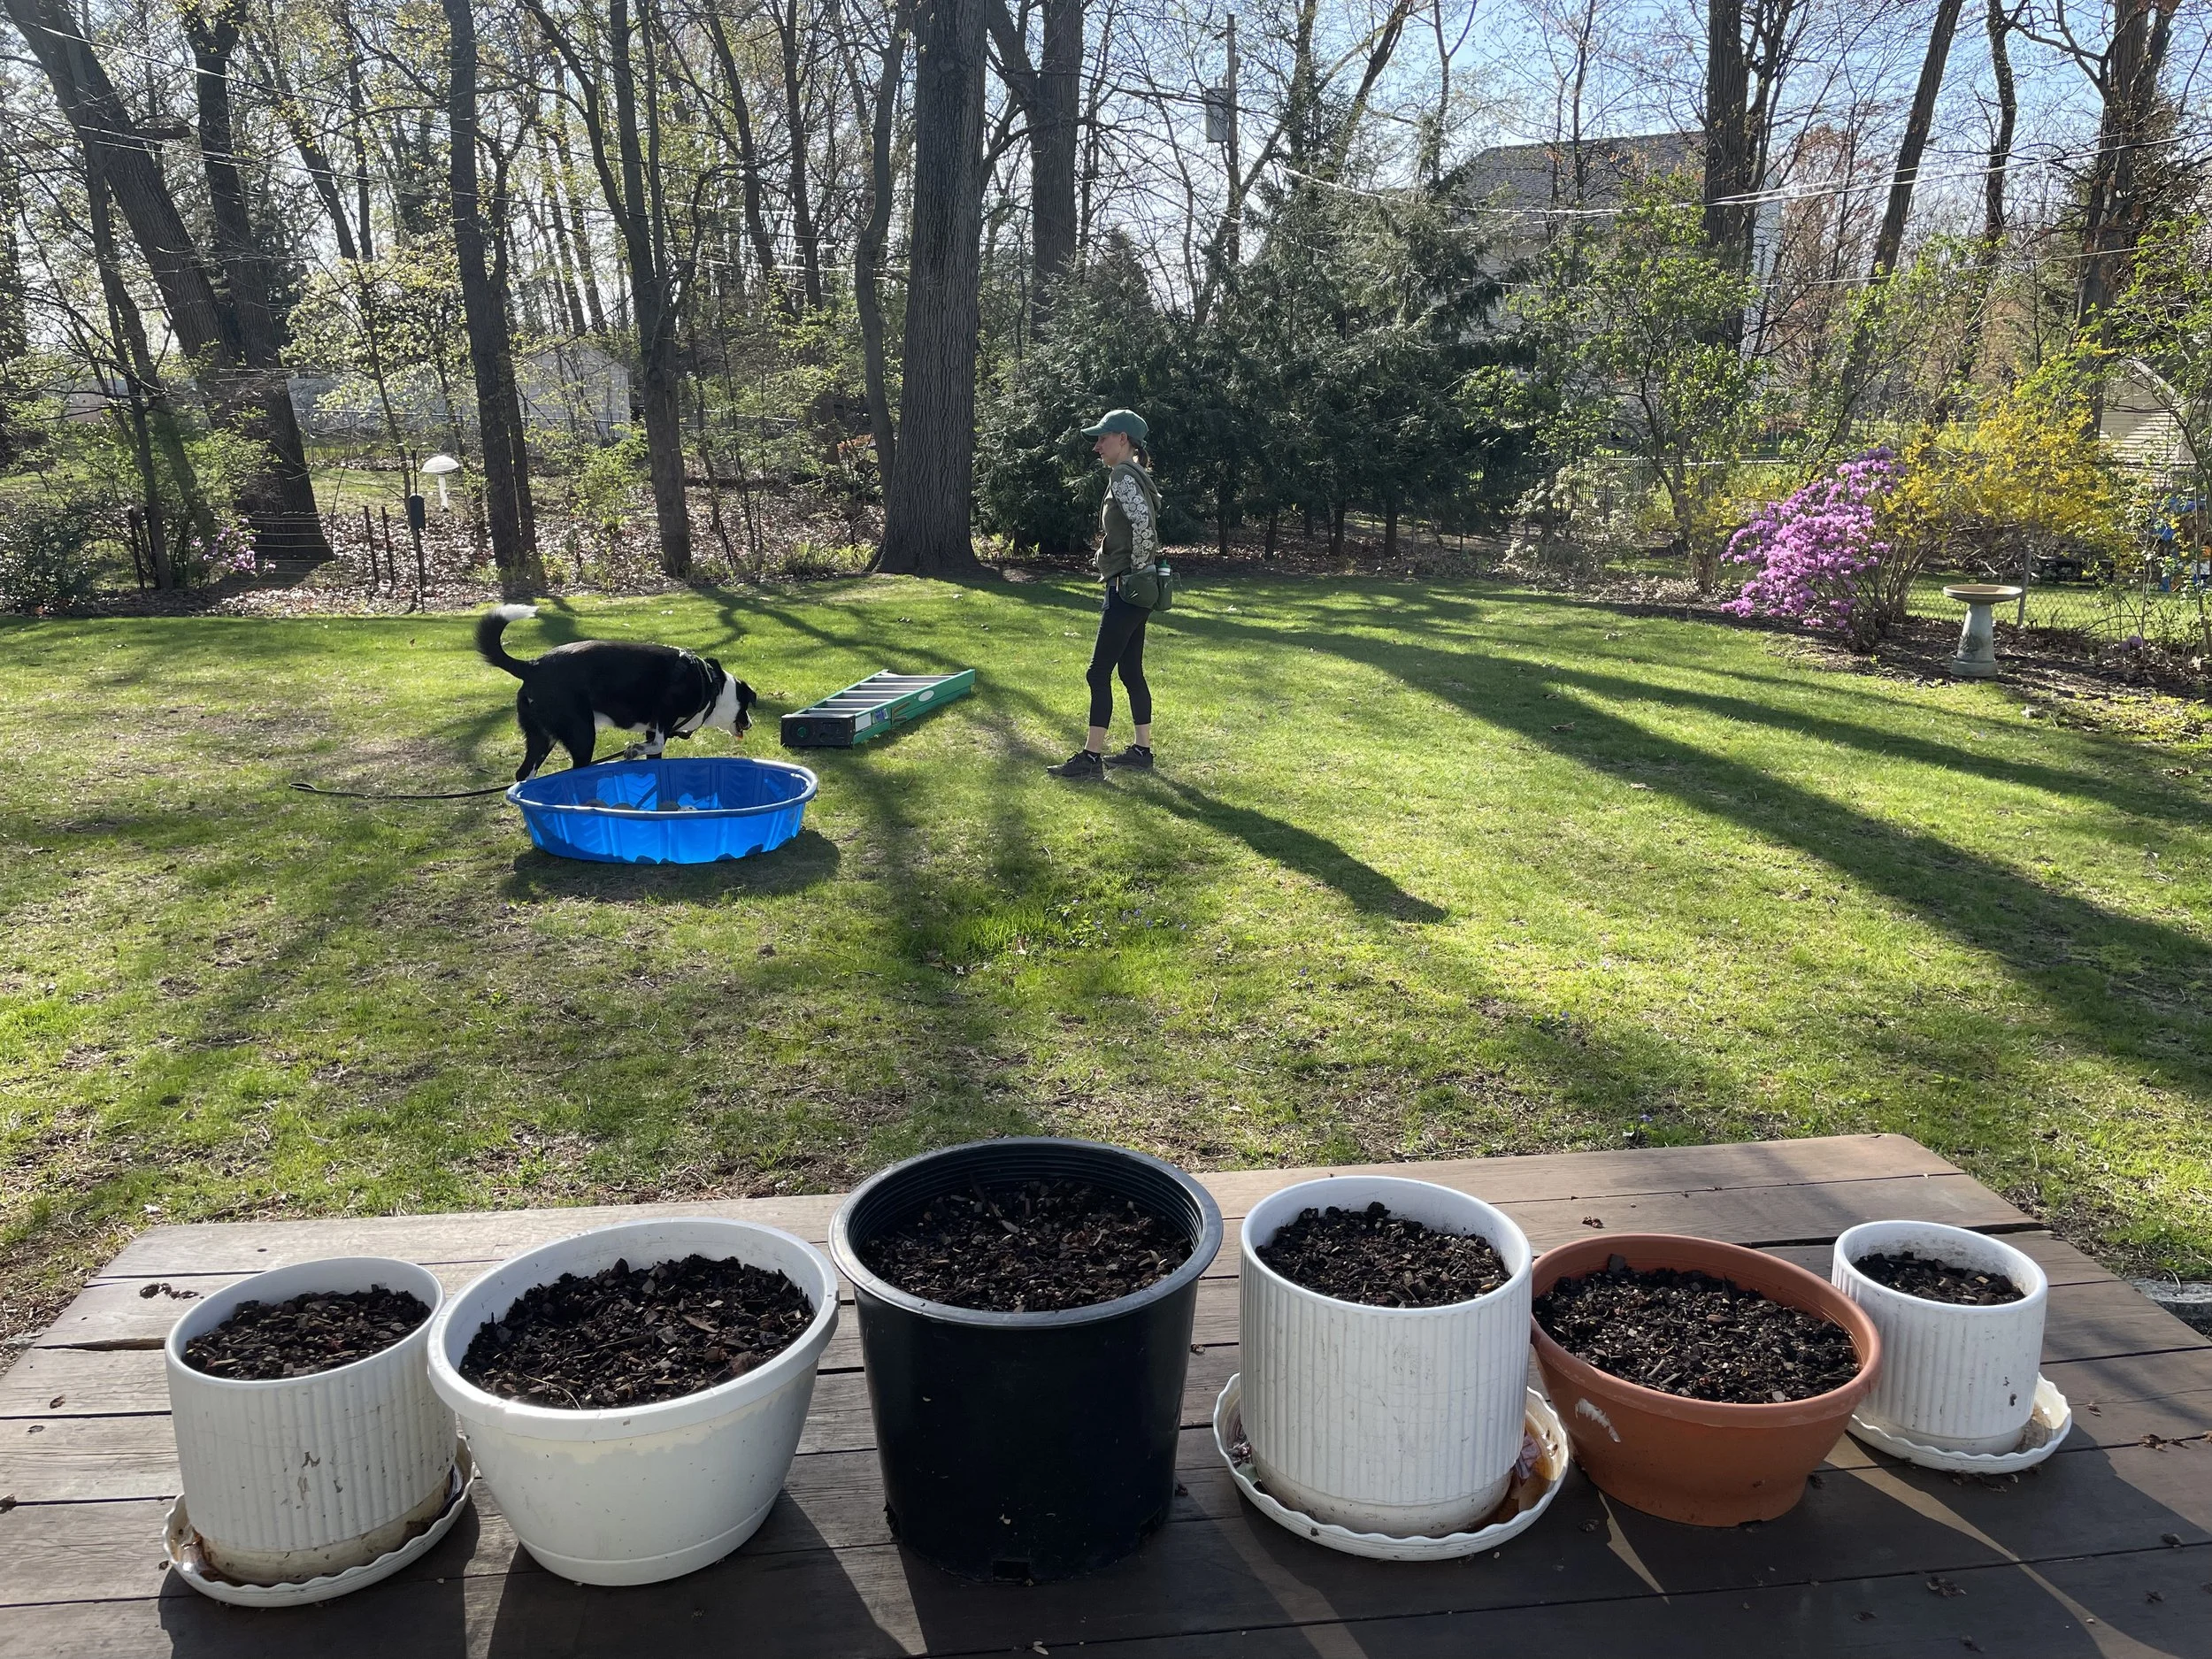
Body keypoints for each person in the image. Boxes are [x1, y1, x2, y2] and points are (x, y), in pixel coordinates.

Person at [1048, 408, 1163, 780]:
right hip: (1137, 588)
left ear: (1123, 440)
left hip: (1126, 587)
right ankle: (1141, 751)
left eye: (1103, 438)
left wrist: (1135, 571)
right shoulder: (1137, 476)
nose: (1097, 446)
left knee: (1098, 674)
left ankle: (1090, 758)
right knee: (1130, 670)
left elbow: (1144, 528)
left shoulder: (1122, 476)